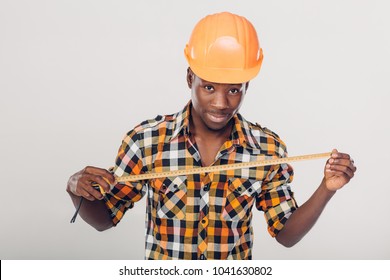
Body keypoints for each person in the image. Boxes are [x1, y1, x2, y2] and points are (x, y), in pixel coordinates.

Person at [66, 12, 356, 260]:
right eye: (209, 88)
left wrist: (326, 188)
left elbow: (286, 235)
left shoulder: (267, 148)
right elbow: (104, 220)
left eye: (233, 90)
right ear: (190, 78)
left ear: (246, 87)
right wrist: (76, 189)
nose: (221, 103)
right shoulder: (146, 141)